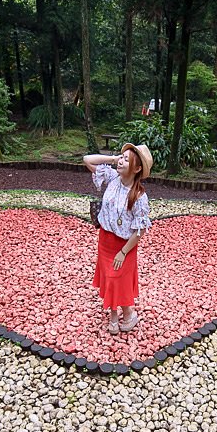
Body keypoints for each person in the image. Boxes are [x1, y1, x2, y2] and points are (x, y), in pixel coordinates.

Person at [83, 143, 153, 335]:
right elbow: (87, 160)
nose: (121, 161)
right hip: (105, 239)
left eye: (126, 159)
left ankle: (127, 314)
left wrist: (123, 252)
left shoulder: (139, 196)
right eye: (121, 157)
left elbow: (140, 230)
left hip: (125, 245)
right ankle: (114, 315)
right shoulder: (113, 177)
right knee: (109, 277)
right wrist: (114, 159)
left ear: (137, 168)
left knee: (118, 280)